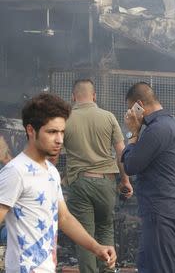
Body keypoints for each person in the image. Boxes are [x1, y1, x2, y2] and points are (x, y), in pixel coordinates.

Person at [0, 93, 116, 272]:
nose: (60, 139)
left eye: (62, 132)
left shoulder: (51, 171)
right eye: (52, 132)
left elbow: (64, 218)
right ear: (31, 130)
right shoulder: (16, 172)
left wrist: (96, 247)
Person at [63, 79, 132, 273]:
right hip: (106, 181)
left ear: (73, 97)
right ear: (94, 96)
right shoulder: (108, 117)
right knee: (105, 229)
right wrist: (125, 180)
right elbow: (121, 153)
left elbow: (54, 149)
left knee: (85, 235)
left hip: (79, 182)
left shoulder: (65, 119)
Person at [121, 82, 175, 272]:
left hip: (160, 210)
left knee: (158, 267)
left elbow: (131, 165)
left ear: (139, 105)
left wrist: (133, 134)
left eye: (131, 109)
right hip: (174, 206)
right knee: (149, 264)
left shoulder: (156, 130)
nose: (130, 115)